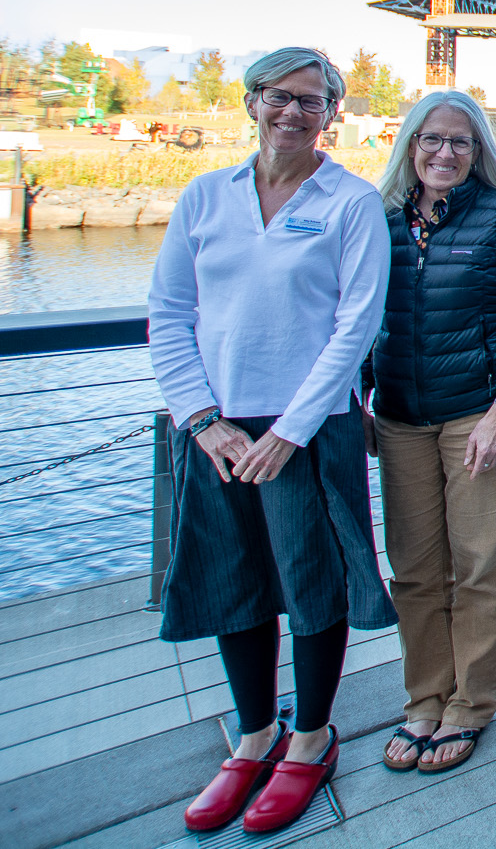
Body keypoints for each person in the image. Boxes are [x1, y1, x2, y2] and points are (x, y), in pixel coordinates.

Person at [150, 48, 392, 835]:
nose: (293, 112)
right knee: (234, 579)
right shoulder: (203, 196)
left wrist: (291, 428)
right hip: (217, 430)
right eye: (279, 97)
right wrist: (201, 417)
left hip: (310, 427)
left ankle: (313, 736)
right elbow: (169, 313)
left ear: (333, 113)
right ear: (252, 101)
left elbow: (356, 325)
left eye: (311, 101)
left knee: (313, 582)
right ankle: (256, 732)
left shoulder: (351, 203)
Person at [371, 91, 496, 775]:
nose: (444, 153)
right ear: (410, 143)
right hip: (399, 417)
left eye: (460, 142)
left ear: (479, 152)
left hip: (479, 414)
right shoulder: (380, 218)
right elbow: (357, 318)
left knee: (479, 565)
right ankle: (424, 697)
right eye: (432, 139)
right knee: (415, 569)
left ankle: (471, 700)